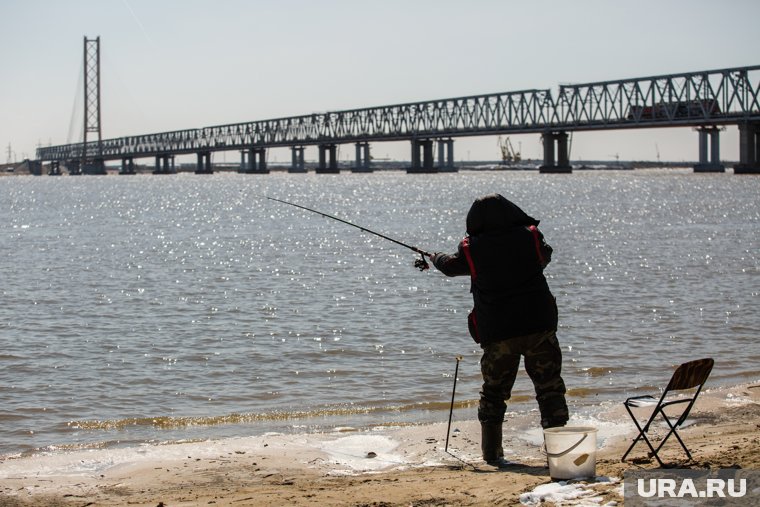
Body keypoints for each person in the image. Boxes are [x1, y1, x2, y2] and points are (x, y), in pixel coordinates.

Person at [430, 193, 568, 464]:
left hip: (499, 332)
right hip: (538, 325)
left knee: (494, 391)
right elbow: (546, 256)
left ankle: (492, 455)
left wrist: (435, 257)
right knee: (549, 386)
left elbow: (450, 267)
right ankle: (558, 451)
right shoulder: (530, 237)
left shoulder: (471, 248)